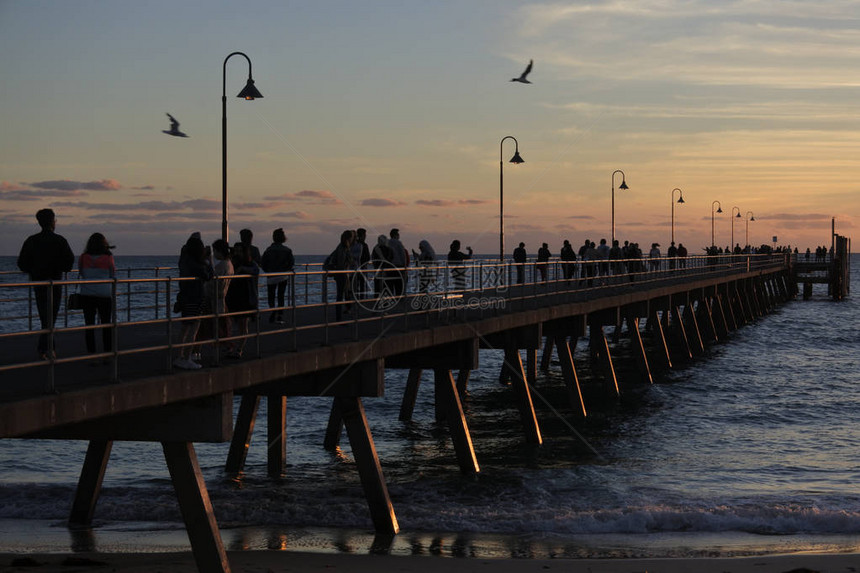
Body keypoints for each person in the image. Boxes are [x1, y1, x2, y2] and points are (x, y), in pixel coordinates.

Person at [17, 208, 75, 359]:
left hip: (38, 282)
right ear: (52, 221)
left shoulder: (31, 240)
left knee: (45, 316)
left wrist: (34, 269)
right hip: (55, 282)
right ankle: (48, 349)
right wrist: (58, 267)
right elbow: (69, 263)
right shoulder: (60, 240)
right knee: (50, 317)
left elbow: (21, 263)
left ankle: (44, 348)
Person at [174, 234, 214, 369]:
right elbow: (209, 276)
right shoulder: (198, 264)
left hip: (184, 296)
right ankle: (186, 357)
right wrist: (209, 260)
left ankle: (180, 356)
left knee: (184, 328)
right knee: (193, 329)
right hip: (196, 297)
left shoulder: (184, 261)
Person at [78, 233, 116, 360]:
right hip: (104, 294)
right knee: (106, 324)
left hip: (87, 294)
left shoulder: (83, 257)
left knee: (89, 325)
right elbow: (112, 274)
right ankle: (107, 354)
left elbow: (81, 273)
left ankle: (91, 355)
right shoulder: (108, 257)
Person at [226, 243, 260, 357]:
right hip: (233, 296)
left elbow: (256, 270)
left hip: (245, 297)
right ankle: (231, 347)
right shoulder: (232, 262)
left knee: (243, 324)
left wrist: (243, 269)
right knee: (229, 323)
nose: (238, 253)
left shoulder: (250, 263)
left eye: (240, 251)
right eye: (236, 251)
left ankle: (239, 349)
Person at [261, 228, 294, 324]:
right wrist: (286, 269)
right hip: (283, 275)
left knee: (271, 296)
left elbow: (263, 263)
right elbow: (291, 263)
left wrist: (268, 271)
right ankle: (280, 314)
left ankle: (272, 310)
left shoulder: (269, 250)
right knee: (281, 296)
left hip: (271, 275)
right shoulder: (287, 250)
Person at [208, 239, 234, 351]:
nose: (214, 254)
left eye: (215, 251)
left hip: (217, 298)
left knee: (218, 325)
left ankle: (225, 346)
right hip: (223, 297)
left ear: (219, 251)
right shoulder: (229, 264)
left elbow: (213, 282)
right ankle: (227, 345)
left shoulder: (222, 266)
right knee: (223, 324)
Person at [330, 230, 355, 320]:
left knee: (343, 295)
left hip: (343, 274)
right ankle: (338, 318)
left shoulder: (342, 247)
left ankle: (340, 317)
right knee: (340, 296)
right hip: (342, 275)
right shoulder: (343, 248)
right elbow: (341, 263)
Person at [349, 228, 371, 298]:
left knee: (357, 285)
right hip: (361, 267)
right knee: (361, 284)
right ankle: (361, 298)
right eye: (364, 235)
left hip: (356, 268)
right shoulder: (363, 245)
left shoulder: (353, 244)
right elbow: (367, 257)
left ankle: (357, 297)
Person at [387, 228, 408, 295]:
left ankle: (391, 298)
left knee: (390, 284)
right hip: (398, 266)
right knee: (399, 284)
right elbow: (402, 255)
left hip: (390, 266)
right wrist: (404, 266)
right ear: (396, 235)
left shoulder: (387, 242)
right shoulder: (398, 243)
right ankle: (399, 298)